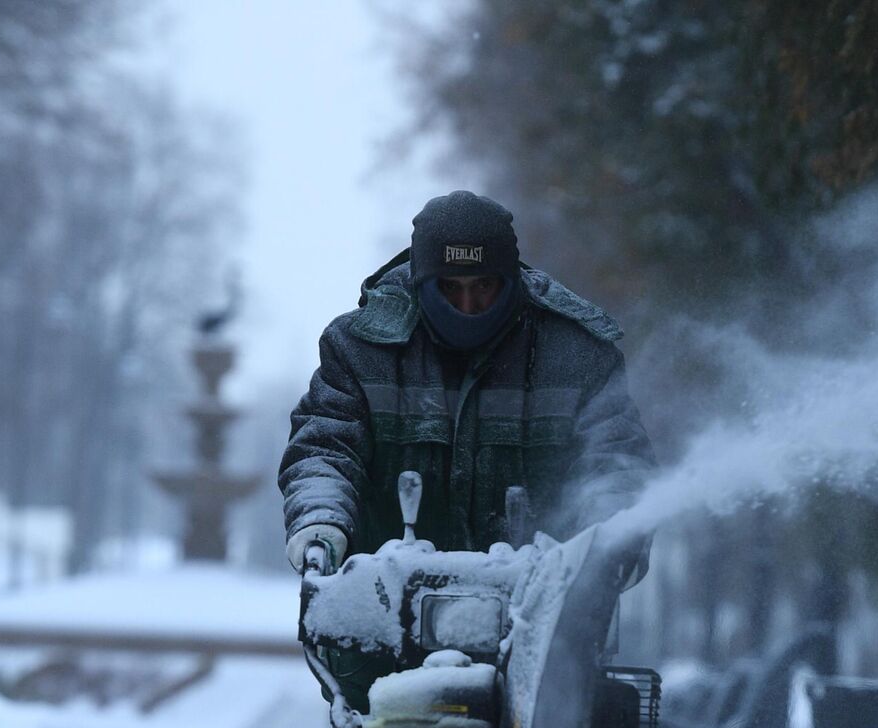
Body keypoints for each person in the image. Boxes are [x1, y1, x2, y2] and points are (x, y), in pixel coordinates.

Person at [279, 190, 655, 578]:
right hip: (379, 606)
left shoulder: (578, 354)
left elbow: (614, 457)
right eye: (449, 288)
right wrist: (321, 524)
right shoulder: (359, 349)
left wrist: (612, 539)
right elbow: (325, 450)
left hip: (547, 609)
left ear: (509, 280)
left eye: (484, 286)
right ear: (421, 281)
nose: (468, 305)